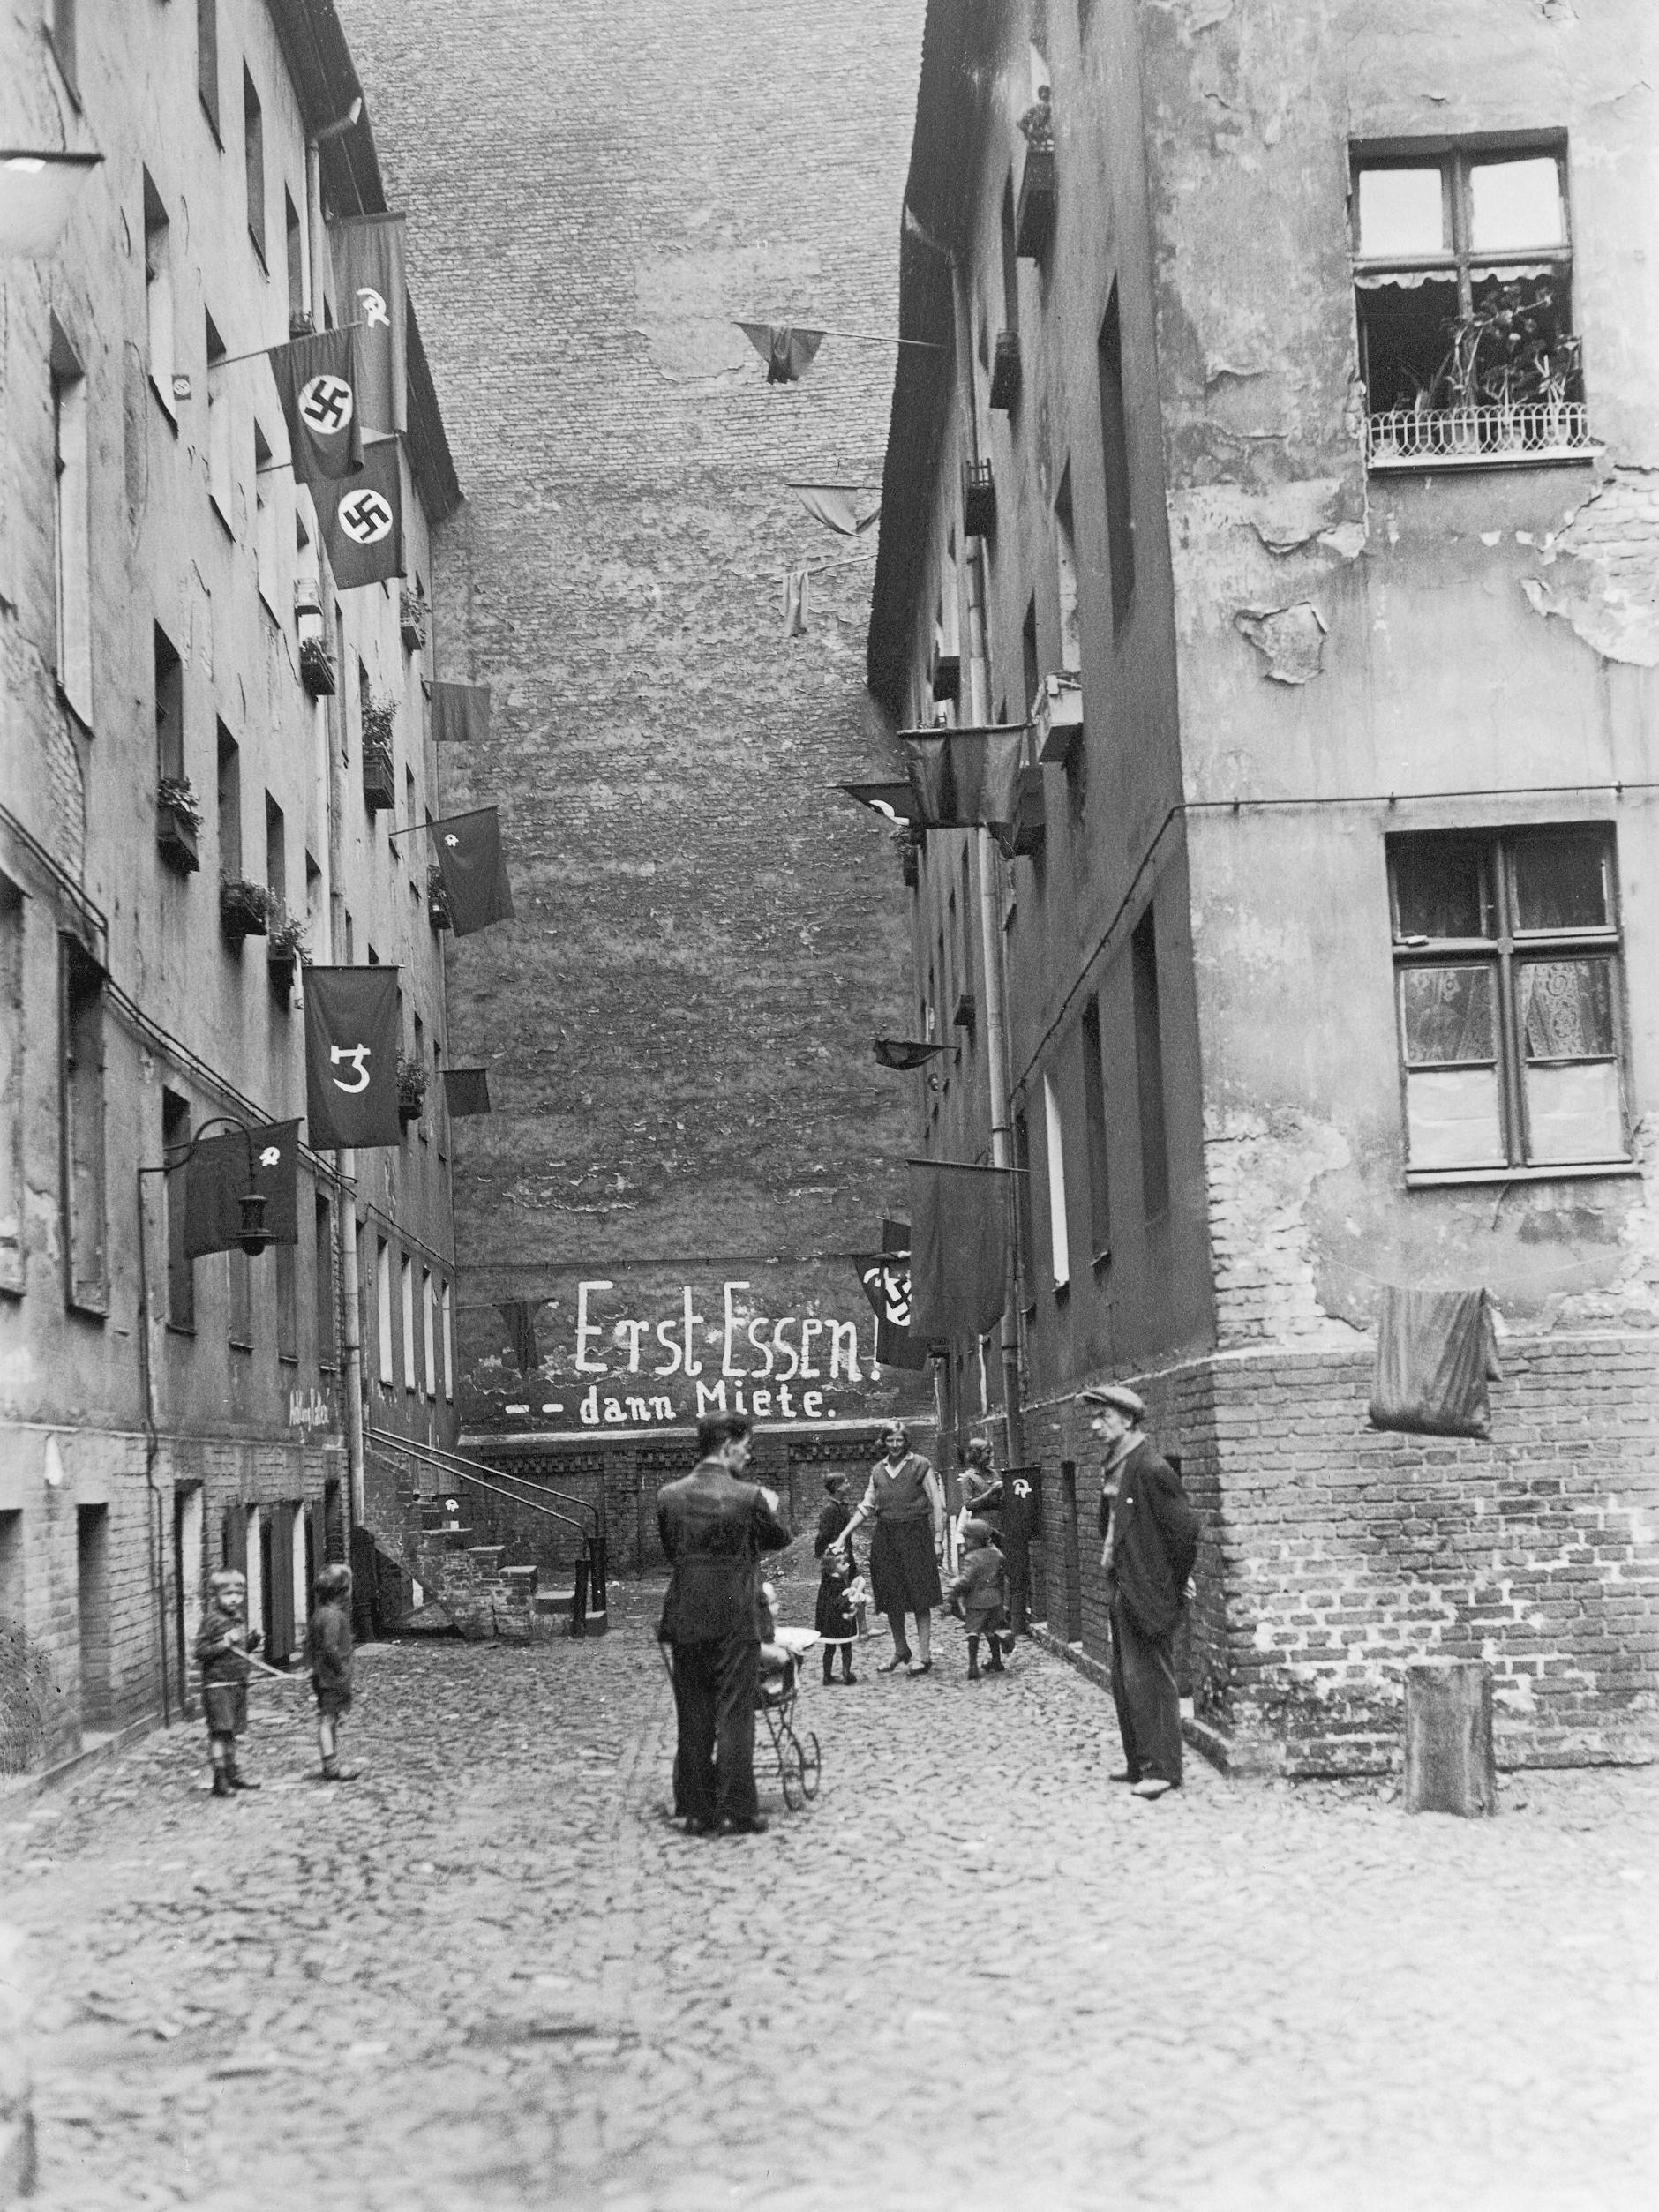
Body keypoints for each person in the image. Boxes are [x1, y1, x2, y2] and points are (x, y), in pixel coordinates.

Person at [657, 1413, 792, 1836]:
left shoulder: (668, 1496)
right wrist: (769, 1506)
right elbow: (779, 1540)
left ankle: (698, 1811)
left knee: (693, 1713)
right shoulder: (750, 1496)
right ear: (728, 1445)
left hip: (686, 1615)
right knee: (735, 1713)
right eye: (747, 1446)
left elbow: (671, 1551)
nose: (749, 1456)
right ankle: (739, 1809)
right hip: (736, 1618)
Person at [1085, 1384, 1201, 1801]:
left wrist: (1169, 1584)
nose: (1096, 1426)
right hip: (1124, 1583)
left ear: (1129, 1419)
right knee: (1126, 1679)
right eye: (1094, 1418)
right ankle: (1139, 1763)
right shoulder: (1117, 1464)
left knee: (1151, 1678)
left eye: (1104, 1417)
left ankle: (1163, 1769)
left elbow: (1185, 1532)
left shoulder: (1151, 1468)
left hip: (1146, 1589)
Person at [834, 1421, 945, 1677]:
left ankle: (924, 1656)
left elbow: (938, 1505)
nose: (895, 1445)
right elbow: (866, 1506)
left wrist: (938, 1539)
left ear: (906, 1441)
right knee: (891, 1596)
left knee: (921, 1597)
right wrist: (843, 1534)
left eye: (899, 1440)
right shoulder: (878, 1471)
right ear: (883, 1442)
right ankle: (901, 1649)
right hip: (886, 1537)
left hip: (916, 1535)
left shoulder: (921, 1465)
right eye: (890, 1440)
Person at [196, 1567, 260, 1797]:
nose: (234, 1598)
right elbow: (201, 1652)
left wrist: (250, 1642)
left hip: (237, 1685)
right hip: (218, 1687)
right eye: (228, 1594)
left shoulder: (237, 1618)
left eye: (238, 1593)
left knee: (231, 1733)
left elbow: (239, 1651)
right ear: (216, 1596)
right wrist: (224, 1642)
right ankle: (219, 1779)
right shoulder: (211, 1620)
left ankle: (233, 1773)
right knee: (219, 1733)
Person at [943, 1519, 1014, 1681]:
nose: (965, 1542)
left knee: (973, 1632)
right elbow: (1003, 1574)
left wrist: (953, 1595)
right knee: (991, 1630)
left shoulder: (971, 1558)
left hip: (976, 1602)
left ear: (975, 1539)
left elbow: (966, 1580)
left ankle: (973, 1665)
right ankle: (996, 1660)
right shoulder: (996, 1554)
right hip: (995, 1600)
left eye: (967, 1538)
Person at [307, 1563, 357, 1782]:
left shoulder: (322, 1613)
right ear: (343, 1591)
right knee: (328, 1719)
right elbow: (330, 1647)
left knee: (331, 1718)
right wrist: (340, 1668)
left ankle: (332, 1760)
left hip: (324, 1676)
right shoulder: (332, 1617)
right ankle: (331, 1766)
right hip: (331, 1678)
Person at [814, 1473, 859, 1685]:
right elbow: (823, 1536)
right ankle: (839, 1673)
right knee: (838, 1602)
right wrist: (829, 1557)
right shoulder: (830, 1510)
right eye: (846, 1482)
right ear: (837, 1487)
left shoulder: (841, 1507)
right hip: (835, 1563)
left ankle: (832, 1673)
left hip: (844, 1561)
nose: (849, 1485)